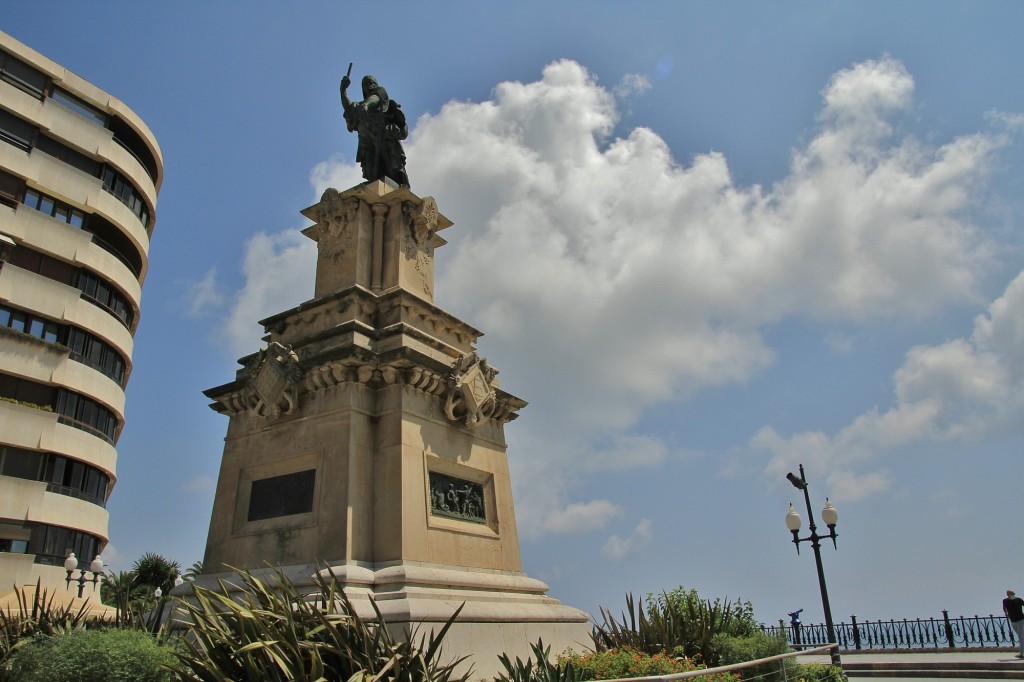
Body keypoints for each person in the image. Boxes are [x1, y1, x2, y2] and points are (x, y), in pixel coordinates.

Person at [340, 73, 410, 188]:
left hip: (385, 139)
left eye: (371, 83)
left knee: (393, 171)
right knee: (374, 174)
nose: (369, 86)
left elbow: (375, 98)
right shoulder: (359, 107)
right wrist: (343, 91)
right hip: (367, 142)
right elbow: (349, 109)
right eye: (366, 84)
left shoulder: (381, 95)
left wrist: (366, 105)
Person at [1004, 589, 1024, 658]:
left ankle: (1021, 654)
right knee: (1020, 636)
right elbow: (1004, 607)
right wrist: (1006, 613)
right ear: (1008, 595)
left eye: (1013, 594)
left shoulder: (1019, 600)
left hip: (1021, 620)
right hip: (1013, 620)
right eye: (1011, 594)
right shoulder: (1005, 601)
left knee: (1021, 637)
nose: (1013, 595)